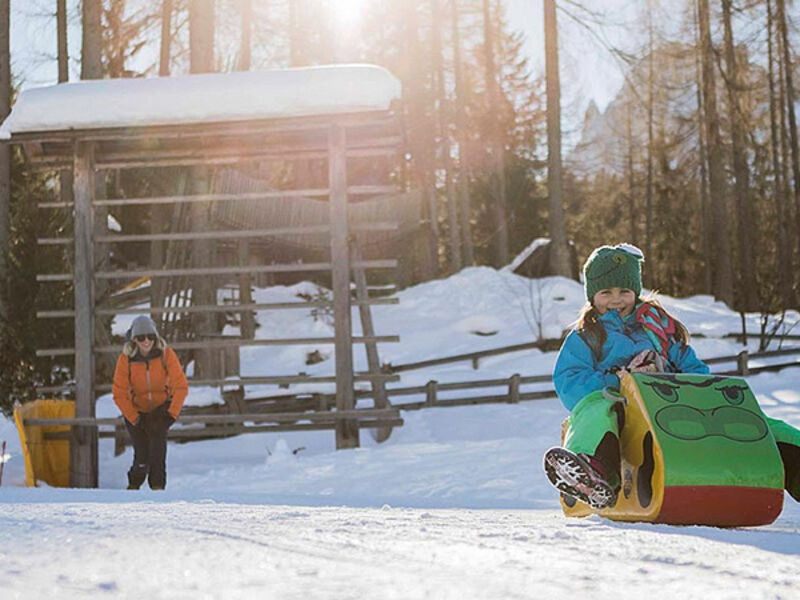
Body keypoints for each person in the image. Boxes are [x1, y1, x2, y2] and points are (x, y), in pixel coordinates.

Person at [543, 243, 800, 509]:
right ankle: (593, 471)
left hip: (668, 403)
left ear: (636, 291)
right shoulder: (588, 335)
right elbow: (569, 378)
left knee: (744, 417)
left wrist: (675, 379)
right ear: (593, 296)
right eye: (606, 292)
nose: (616, 299)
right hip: (619, 405)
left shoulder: (659, 330)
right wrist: (619, 382)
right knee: (597, 410)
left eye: (624, 291)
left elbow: (695, 369)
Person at [112, 315, 188, 490]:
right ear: (134, 340)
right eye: (141, 338)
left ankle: (158, 491)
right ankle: (133, 487)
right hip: (137, 412)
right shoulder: (126, 359)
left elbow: (181, 386)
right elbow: (119, 392)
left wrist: (171, 415)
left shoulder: (165, 354)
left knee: (158, 457)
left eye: (150, 337)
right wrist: (135, 419)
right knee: (142, 457)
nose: (146, 341)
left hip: (160, 411)